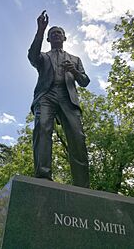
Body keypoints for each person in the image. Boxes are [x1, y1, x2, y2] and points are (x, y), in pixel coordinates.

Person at [28, 10, 90, 188]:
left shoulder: (75, 59)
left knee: (77, 137)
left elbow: (84, 81)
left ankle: (82, 184)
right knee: (42, 129)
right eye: (52, 34)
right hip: (46, 95)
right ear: (48, 39)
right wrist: (40, 30)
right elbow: (32, 56)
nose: (55, 35)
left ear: (64, 37)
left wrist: (74, 71)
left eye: (58, 33)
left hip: (67, 98)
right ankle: (43, 176)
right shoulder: (43, 57)